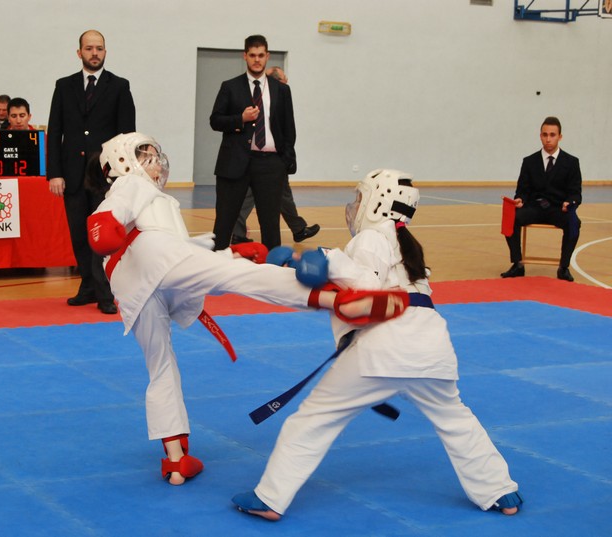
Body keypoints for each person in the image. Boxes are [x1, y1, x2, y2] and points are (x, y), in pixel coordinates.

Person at [86, 133, 410, 487]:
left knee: (160, 365)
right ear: (121, 163)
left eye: (154, 156)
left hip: (133, 284)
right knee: (242, 277)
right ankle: (338, 300)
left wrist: (229, 252)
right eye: (145, 157)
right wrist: (103, 226)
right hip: (155, 261)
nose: (155, 164)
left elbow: (179, 252)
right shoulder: (129, 185)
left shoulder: (149, 202)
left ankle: (176, 460)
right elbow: (112, 223)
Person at [233, 169, 523, 520]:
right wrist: (301, 264)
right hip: (431, 347)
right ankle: (499, 490)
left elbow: (366, 286)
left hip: (385, 346)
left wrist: (326, 258)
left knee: (312, 420)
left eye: (360, 198)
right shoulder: (406, 244)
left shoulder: (371, 237)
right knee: (456, 419)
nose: (355, 205)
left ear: (378, 201)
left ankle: (270, 497)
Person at [47, 29, 135, 314]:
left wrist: (123, 175)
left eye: (99, 48)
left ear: (105, 52)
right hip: (71, 174)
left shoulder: (119, 86)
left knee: (102, 235)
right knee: (78, 234)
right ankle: (87, 286)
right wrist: (54, 173)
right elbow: (55, 131)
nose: (94, 53)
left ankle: (105, 292)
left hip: (104, 176)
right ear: (79, 52)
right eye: (89, 48)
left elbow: (127, 135)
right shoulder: (64, 86)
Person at [210, 34, 297, 252]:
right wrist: (240, 118)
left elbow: (289, 128)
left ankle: (272, 266)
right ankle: (217, 261)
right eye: (252, 55)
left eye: (260, 55)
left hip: (270, 164)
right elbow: (215, 120)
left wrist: (283, 161)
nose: (256, 60)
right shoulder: (230, 86)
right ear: (245, 56)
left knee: (270, 223)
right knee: (225, 220)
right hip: (235, 161)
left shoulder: (281, 90)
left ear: (267, 56)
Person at [231, 66, 319, 245]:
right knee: (253, 196)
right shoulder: (258, 98)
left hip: (276, 159)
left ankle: (298, 228)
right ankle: (238, 233)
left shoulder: (279, 97)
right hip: (259, 159)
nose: (286, 84)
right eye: (284, 80)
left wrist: (286, 157)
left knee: (281, 194)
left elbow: (288, 129)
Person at [501, 116, 582, 282]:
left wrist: (570, 202)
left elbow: (576, 193)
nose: (548, 139)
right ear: (540, 136)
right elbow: (522, 189)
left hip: (558, 209)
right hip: (534, 207)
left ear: (560, 137)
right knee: (511, 218)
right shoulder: (529, 161)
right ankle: (517, 264)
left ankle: (563, 267)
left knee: (574, 222)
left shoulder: (572, 162)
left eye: (552, 135)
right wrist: (520, 199)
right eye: (545, 135)